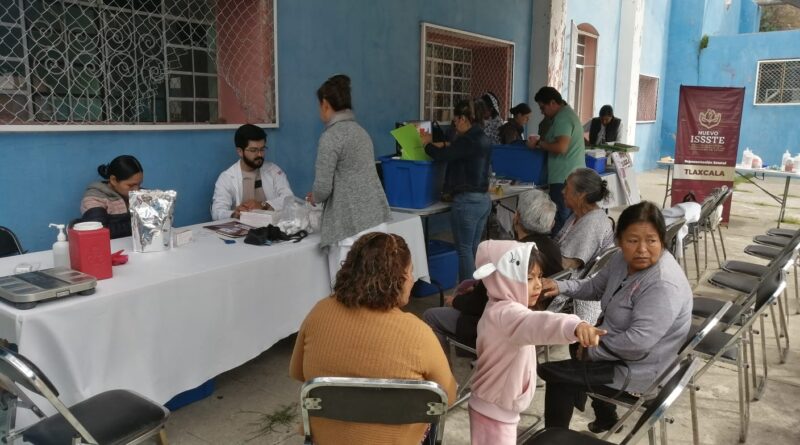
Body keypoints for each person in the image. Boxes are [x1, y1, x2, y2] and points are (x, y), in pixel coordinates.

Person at [538, 201, 693, 433]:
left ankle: (554, 438)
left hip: (640, 369)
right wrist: (559, 286)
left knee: (555, 375)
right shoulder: (622, 260)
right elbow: (594, 287)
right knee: (576, 342)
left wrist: (592, 351)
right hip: (621, 353)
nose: (642, 249)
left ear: (662, 240)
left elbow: (638, 343)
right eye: (633, 240)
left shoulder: (663, 283)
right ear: (619, 241)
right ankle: (606, 417)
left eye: (651, 240)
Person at [289, 232, 456, 445]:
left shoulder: (319, 313)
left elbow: (298, 372)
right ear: (399, 278)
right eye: (410, 271)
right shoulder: (418, 334)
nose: (412, 279)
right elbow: (447, 396)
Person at [468, 240, 605, 444]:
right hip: (494, 412)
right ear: (503, 280)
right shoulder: (507, 314)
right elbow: (541, 323)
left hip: (493, 405)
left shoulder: (498, 306)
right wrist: (575, 326)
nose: (538, 284)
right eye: (528, 278)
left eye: (539, 276)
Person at [422, 189, 563, 352]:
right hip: (534, 322)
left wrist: (455, 301)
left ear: (516, 217)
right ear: (550, 222)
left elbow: (478, 304)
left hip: (498, 328)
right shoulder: (553, 248)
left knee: (431, 315)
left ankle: (442, 368)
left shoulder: (512, 256)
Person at [306, 74, 391, 279]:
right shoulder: (361, 132)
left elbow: (323, 187)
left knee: (347, 289)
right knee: (375, 285)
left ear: (325, 104)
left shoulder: (331, 136)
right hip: (375, 220)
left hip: (349, 227)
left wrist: (314, 197)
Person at [421, 99, 492, 282]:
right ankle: (476, 288)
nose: (454, 124)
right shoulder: (481, 136)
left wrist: (427, 144)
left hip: (467, 201)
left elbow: (443, 156)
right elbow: (455, 149)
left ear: (463, 118)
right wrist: (445, 144)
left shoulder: (467, 140)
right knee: (473, 248)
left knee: (464, 250)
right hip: (483, 200)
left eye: (455, 120)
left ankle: (466, 291)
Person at [549, 168, 615, 325]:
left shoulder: (592, 224)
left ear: (581, 195)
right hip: (566, 282)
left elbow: (565, 266)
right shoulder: (578, 215)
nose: (563, 191)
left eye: (567, 188)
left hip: (571, 293)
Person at [532, 86, 586, 234]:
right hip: (571, 175)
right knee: (569, 221)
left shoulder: (562, 118)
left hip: (564, 177)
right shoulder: (567, 114)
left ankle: (558, 248)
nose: (542, 112)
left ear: (552, 103)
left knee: (561, 221)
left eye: (543, 108)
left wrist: (538, 143)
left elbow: (561, 147)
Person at [211, 124, 294, 220]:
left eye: (262, 149)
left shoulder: (273, 170)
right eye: (253, 150)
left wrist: (263, 205)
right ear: (240, 151)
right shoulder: (227, 178)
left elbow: (289, 199)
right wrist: (234, 214)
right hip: (241, 227)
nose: (260, 155)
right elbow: (217, 212)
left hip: (271, 226)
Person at [79, 155, 143, 239]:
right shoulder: (94, 197)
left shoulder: (142, 195)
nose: (137, 190)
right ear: (113, 180)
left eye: (139, 184)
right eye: (131, 185)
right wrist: (140, 225)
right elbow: (99, 231)